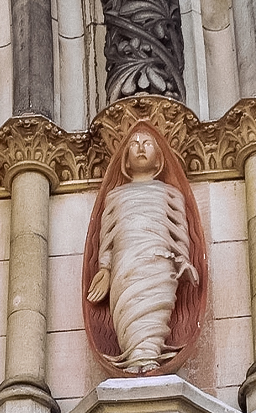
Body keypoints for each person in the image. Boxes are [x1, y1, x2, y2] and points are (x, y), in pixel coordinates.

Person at [84, 124, 206, 374]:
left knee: (153, 307)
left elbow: (180, 231)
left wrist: (183, 260)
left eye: (147, 144)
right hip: (125, 264)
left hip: (158, 262)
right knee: (129, 308)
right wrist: (105, 269)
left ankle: (148, 357)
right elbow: (107, 237)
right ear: (125, 161)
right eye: (134, 144)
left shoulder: (171, 194)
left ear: (159, 159)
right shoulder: (114, 196)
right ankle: (134, 358)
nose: (140, 148)